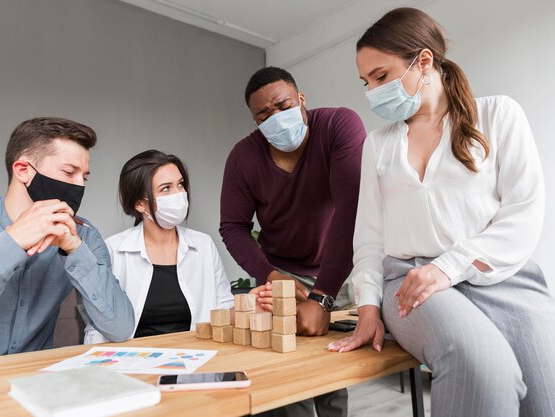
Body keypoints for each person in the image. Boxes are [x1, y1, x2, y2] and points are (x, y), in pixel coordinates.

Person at [328, 7, 555, 417]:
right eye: (365, 83)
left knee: (547, 394)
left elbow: (523, 212)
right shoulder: (378, 145)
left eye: (380, 76)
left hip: (502, 278)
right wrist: (366, 307)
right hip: (411, 282)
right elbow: (369, 238)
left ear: (424, 61)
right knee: (484, 368)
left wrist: (449, 266)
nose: (372, 92)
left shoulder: (499, 114)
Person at [220, 67, 366, 417]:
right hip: (280, 274)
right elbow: (233, 227)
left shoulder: (338, 126)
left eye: (282, 105)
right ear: (255, 120)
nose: (275, 117)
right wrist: (270, 275)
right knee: (287, 374)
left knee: (331, 371)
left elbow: (352, 210)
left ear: (301, 100)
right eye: (263, 114)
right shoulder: (243, 157)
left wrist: (323, 297)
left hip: (338, 268)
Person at [0, 117, 135, 364]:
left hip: (36, 386)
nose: (80, 185)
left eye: (85, 177)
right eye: (69, 172)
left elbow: (120, 328)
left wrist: (74, 249)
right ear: (23, 171)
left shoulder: (85, 235)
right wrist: (10, 243)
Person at [85, 150, 272, 343]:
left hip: (193, 365)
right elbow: (100, 325)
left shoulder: (203, 245)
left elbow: (221, 311)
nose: (179, 194)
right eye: (166, 188)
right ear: (140, 204)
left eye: (180, 184)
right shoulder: (114, 250)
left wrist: (248, 306)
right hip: (132, 367)